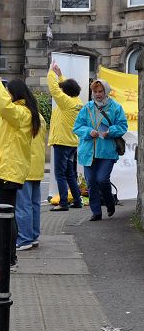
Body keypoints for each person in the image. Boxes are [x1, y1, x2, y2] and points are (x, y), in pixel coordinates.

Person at [0, 70, 41, 268]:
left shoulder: (21, 113)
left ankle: (7, 261)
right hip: (0, 171)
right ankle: (5, 260)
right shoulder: (15, 115)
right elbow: (0, 132)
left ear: (15, 94)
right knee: (0, 217)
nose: (6, 95)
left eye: (8, 92)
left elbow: (3, 104)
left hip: (7, 173)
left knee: (5, 220)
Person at [73, 79, 127, 221]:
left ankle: (110, 203)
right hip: (88, 152)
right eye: (95, 91)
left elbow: (123, 126)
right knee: (91, 182)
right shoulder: (87, 108)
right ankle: (96, 212)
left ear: (106, 91)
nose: (97, 94)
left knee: (102, 180)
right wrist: (89, 131)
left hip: (107, 151)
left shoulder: (116, 107)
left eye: (100, 91)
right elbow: (77, 127)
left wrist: (111, 131)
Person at [47, 61, 84, 211]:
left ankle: (63, 203)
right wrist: (60, 75)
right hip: (72, 143)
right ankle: (77, 200)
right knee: (70, 173)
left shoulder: (66, 103)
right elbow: (65, 89)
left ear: (66, 93)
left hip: (62, 142)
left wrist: (51, 72)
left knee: (60, 174)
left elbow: (55, 90)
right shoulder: (76, 101)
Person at [15, 114, 47, 250]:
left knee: (23, 205)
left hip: (25, 165)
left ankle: (24, 239)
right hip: (37, 166)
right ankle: (33, 236)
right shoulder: (40, 117)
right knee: (34, 204)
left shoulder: (21, 115)